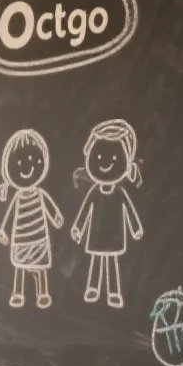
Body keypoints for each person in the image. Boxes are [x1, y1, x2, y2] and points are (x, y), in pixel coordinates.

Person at [70, 119, 145, 309]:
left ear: (126, 164)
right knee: (96, 261)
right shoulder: (94, 192)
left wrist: (135, 228)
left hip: (114, 234)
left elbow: (129, 210)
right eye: (98, 157)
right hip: (96, 234)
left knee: (111, 263)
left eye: (113, 160)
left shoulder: (120, 193)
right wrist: (78, 228)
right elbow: (85, 210)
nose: (105, 164)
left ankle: (114, 292)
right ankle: (93, 287)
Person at [0, 128, 64, 308]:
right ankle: (18, 293)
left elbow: (50, 208)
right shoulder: (17, 197)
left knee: (40, 267)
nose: (27, 167)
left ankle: (43, 293)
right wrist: (4, 229)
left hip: (39, 237)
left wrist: (56, 217)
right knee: (19, 266)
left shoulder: (40, 194)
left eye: (32, 160)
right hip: (21, 238)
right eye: (18, 162)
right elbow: (10, 214)